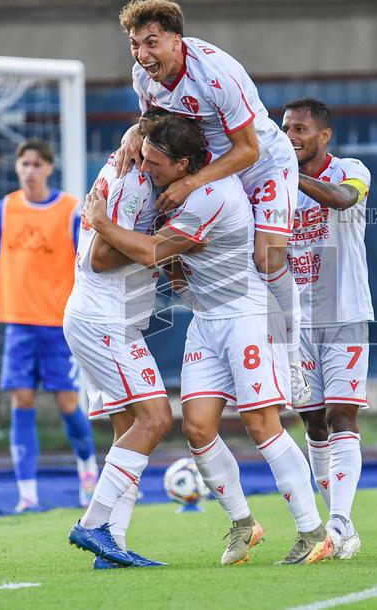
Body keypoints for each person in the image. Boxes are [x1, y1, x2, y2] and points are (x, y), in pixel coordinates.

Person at [83, 113, 333, 565]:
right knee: (196, 428)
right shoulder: (176, 180)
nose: (148, 170)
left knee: (262, 425)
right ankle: (243, 523)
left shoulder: (212, 195)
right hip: (206, 317)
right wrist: (131, 140)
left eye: (156, 164)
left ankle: (312, 530)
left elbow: (153, 251)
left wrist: (100, 222)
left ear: (184, 165)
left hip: (246, 314)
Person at [113, 0, 309, 403]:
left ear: (176, 40)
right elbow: (154, 121)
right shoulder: (142, 75)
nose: (142, 53)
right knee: (170, 251)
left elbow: (249, 149)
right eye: (135, 43)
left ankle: (293, 359)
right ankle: (214, 324)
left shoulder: (217, 74)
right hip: (206, 167)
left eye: (151, 42)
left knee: (267, 258)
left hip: (259, 164)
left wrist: (189, 183)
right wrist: (135, 131)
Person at [64, 116, 170, 569]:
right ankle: (92, 524)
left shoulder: (129, 161)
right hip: (104, 320)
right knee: (157, 418)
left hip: (107, 317)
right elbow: (102, 257)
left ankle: (113, 547)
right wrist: (158, 246)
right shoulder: (135, 181)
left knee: (129, 430)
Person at [0, 138, 96, 513]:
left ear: (48, 167)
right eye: (23, 164)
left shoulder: (70, 209)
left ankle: (88, 471)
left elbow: (84, 266)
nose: (29, 171)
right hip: (17, 321)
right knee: (21, 399)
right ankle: (26, 493)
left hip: (57, 322)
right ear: (17, 168)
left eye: (35, 164)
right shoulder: (6, 207)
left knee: (66, 402)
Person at [282, 98, 372, 559]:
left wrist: (285, 173)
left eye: (299, 129)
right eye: (285, 129)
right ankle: (341, 526)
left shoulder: (351, 169)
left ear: (323, 136)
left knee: (342, 414)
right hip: (295, 320)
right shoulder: (274, 188)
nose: (291, 136)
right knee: (313, 421)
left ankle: (337, 522)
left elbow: (343, 199)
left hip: (345, 313)